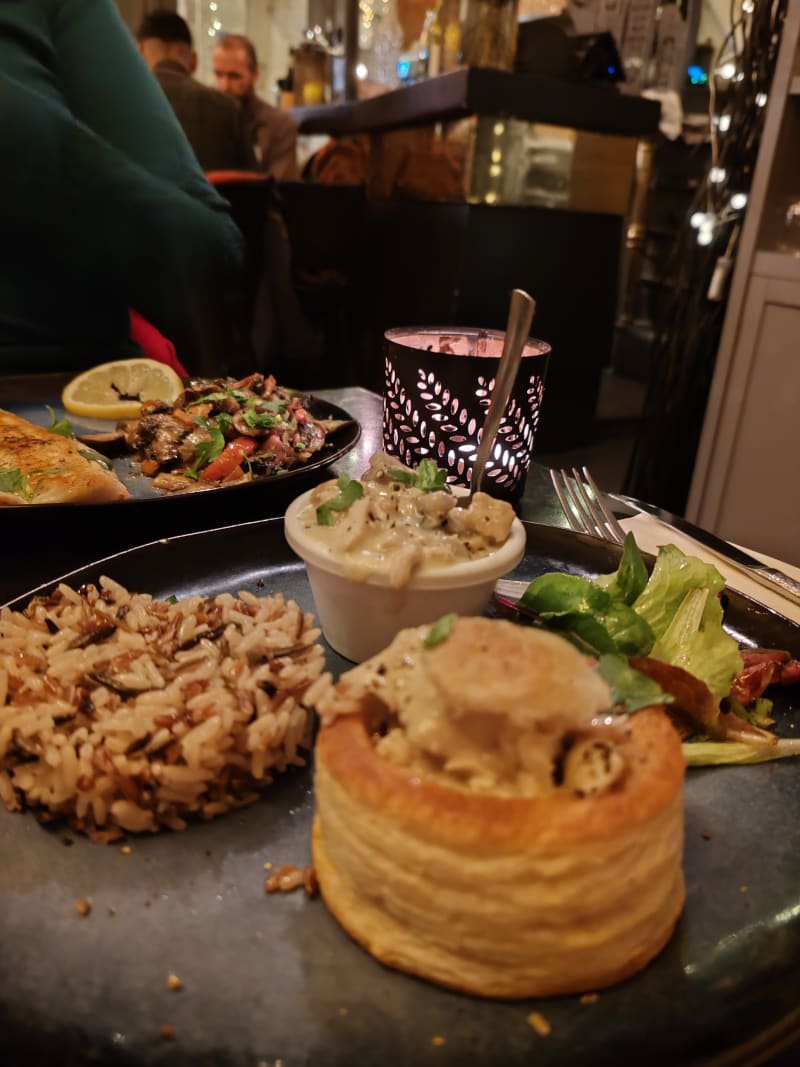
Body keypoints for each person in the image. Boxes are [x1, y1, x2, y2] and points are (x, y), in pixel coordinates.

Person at [0, 0, 245, 375]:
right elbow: (215, 238)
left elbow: (209, 242)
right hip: (76, 373)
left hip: (69, 387)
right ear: (194, 61)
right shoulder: (231, 113)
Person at [137, 11, 255, 173]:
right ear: (194, 61)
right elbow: (251, 184)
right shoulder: (228, 109)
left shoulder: (116, 104)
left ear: (139, 54)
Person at [213, 34, 299, 181]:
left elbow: (280, 189)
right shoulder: (208, 118)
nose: (224, 85)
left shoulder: (279, 125)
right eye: (219, 75)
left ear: (255, 74)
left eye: (235, 76)